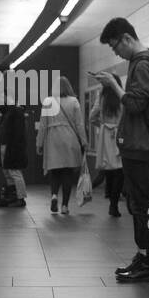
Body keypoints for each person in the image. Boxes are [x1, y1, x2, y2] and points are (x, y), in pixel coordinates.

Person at [93, 18, 149, 282]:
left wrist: (114, 86)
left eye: (116, 46)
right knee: (143, 205)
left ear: (127, 38)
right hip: (140, 145)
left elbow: (136, 104)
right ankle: (145, 254)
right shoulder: (144, 64)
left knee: (144, 206)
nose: (116, 52)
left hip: (141, 145)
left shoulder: (144, 65)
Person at [36, 76, 86, 215]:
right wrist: (84, 141)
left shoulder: (48, 101)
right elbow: (79, 124)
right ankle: (64, 206)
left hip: (53, 140)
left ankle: (53, 195)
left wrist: (39, 143)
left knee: (55, 171)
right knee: (67, 173)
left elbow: (43, 125)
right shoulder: (74, 101)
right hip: (70, 139)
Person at [89, 74, 124, 217]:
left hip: (105, 137)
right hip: (120, 135)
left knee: (108, 170)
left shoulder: (101, 98)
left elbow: (92, 117)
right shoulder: (122, 97)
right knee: (119, 170)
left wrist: (102, 125)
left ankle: (109, 200)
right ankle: (114, 206)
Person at [0, 94, 28, 208]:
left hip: (12, 147)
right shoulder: (9, 111)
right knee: (7, 172)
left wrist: (14, 147)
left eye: (4, 97)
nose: (1, 100)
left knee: (14, 172)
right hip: (5, 145)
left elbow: (18, 133)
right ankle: (12, 195)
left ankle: (21, 198)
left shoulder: (17, 111)